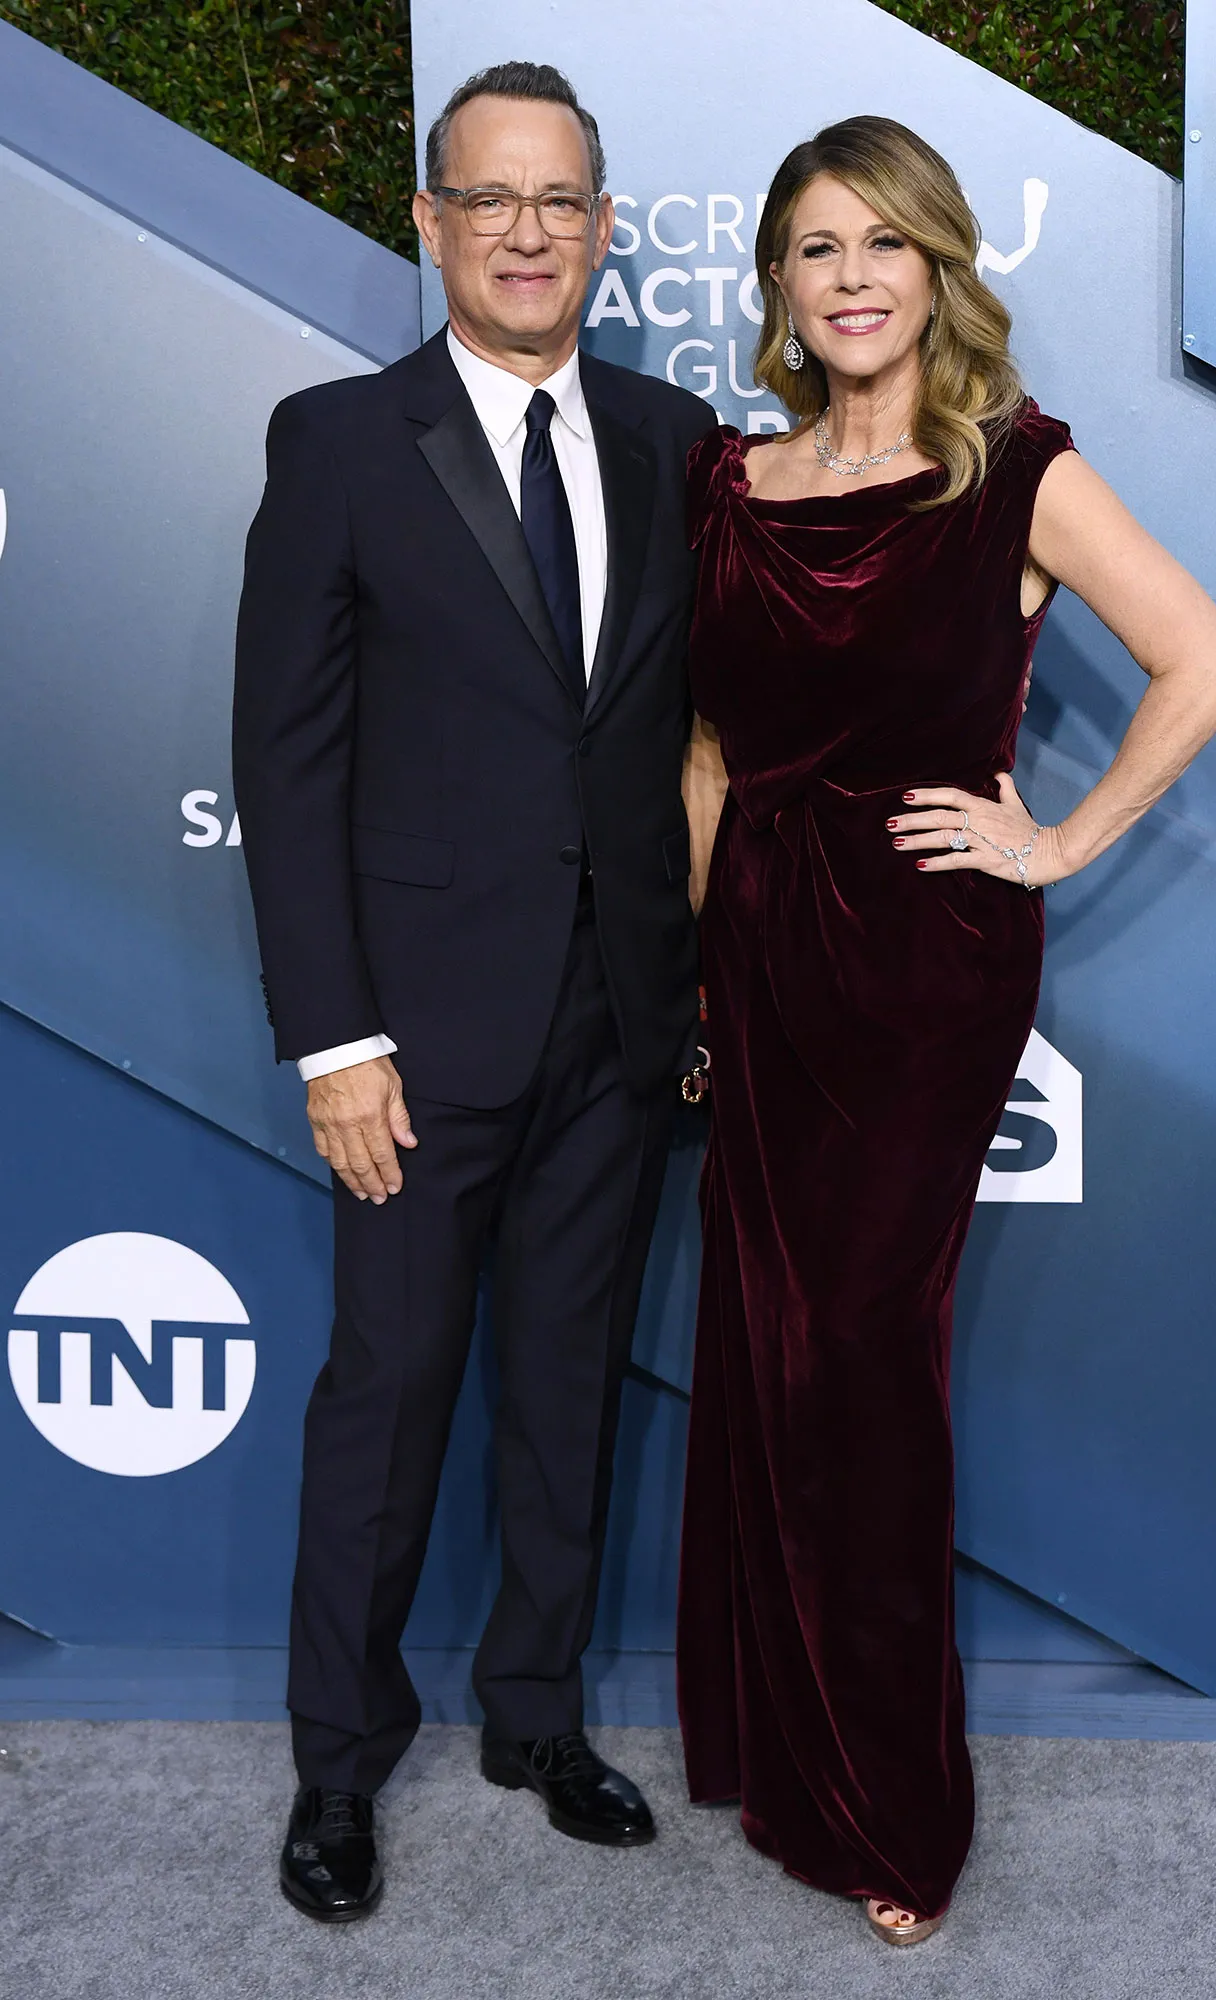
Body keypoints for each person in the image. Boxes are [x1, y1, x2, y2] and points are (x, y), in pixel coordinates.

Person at [675, 115, 1216, 1947]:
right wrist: (702, 976)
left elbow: (1212, 659)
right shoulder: (730, 490)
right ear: (776, 281)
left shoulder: (1013, 473)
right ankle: (781, 1744)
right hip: (757, 949)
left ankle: (892, 1807)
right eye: (813, 247)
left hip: (922, 962)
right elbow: (702, 760)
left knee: (859, 1356)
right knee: (764, 1349)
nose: (848, 278)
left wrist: (1057, 840)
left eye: (880, 244)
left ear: (938, 267)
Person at [232, 61, 715, 1922]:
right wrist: (334, 1039)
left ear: (603, 229)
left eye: (562, 200)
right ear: (428, 222)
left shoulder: (682, 446)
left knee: (569, 1390)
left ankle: (534, 1716)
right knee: (393, 1392)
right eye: (490, 197)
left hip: (619, 1024)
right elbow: (288, 762)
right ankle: (338, 1767)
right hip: (415, 1041)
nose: (528, 229)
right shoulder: (341, 441)